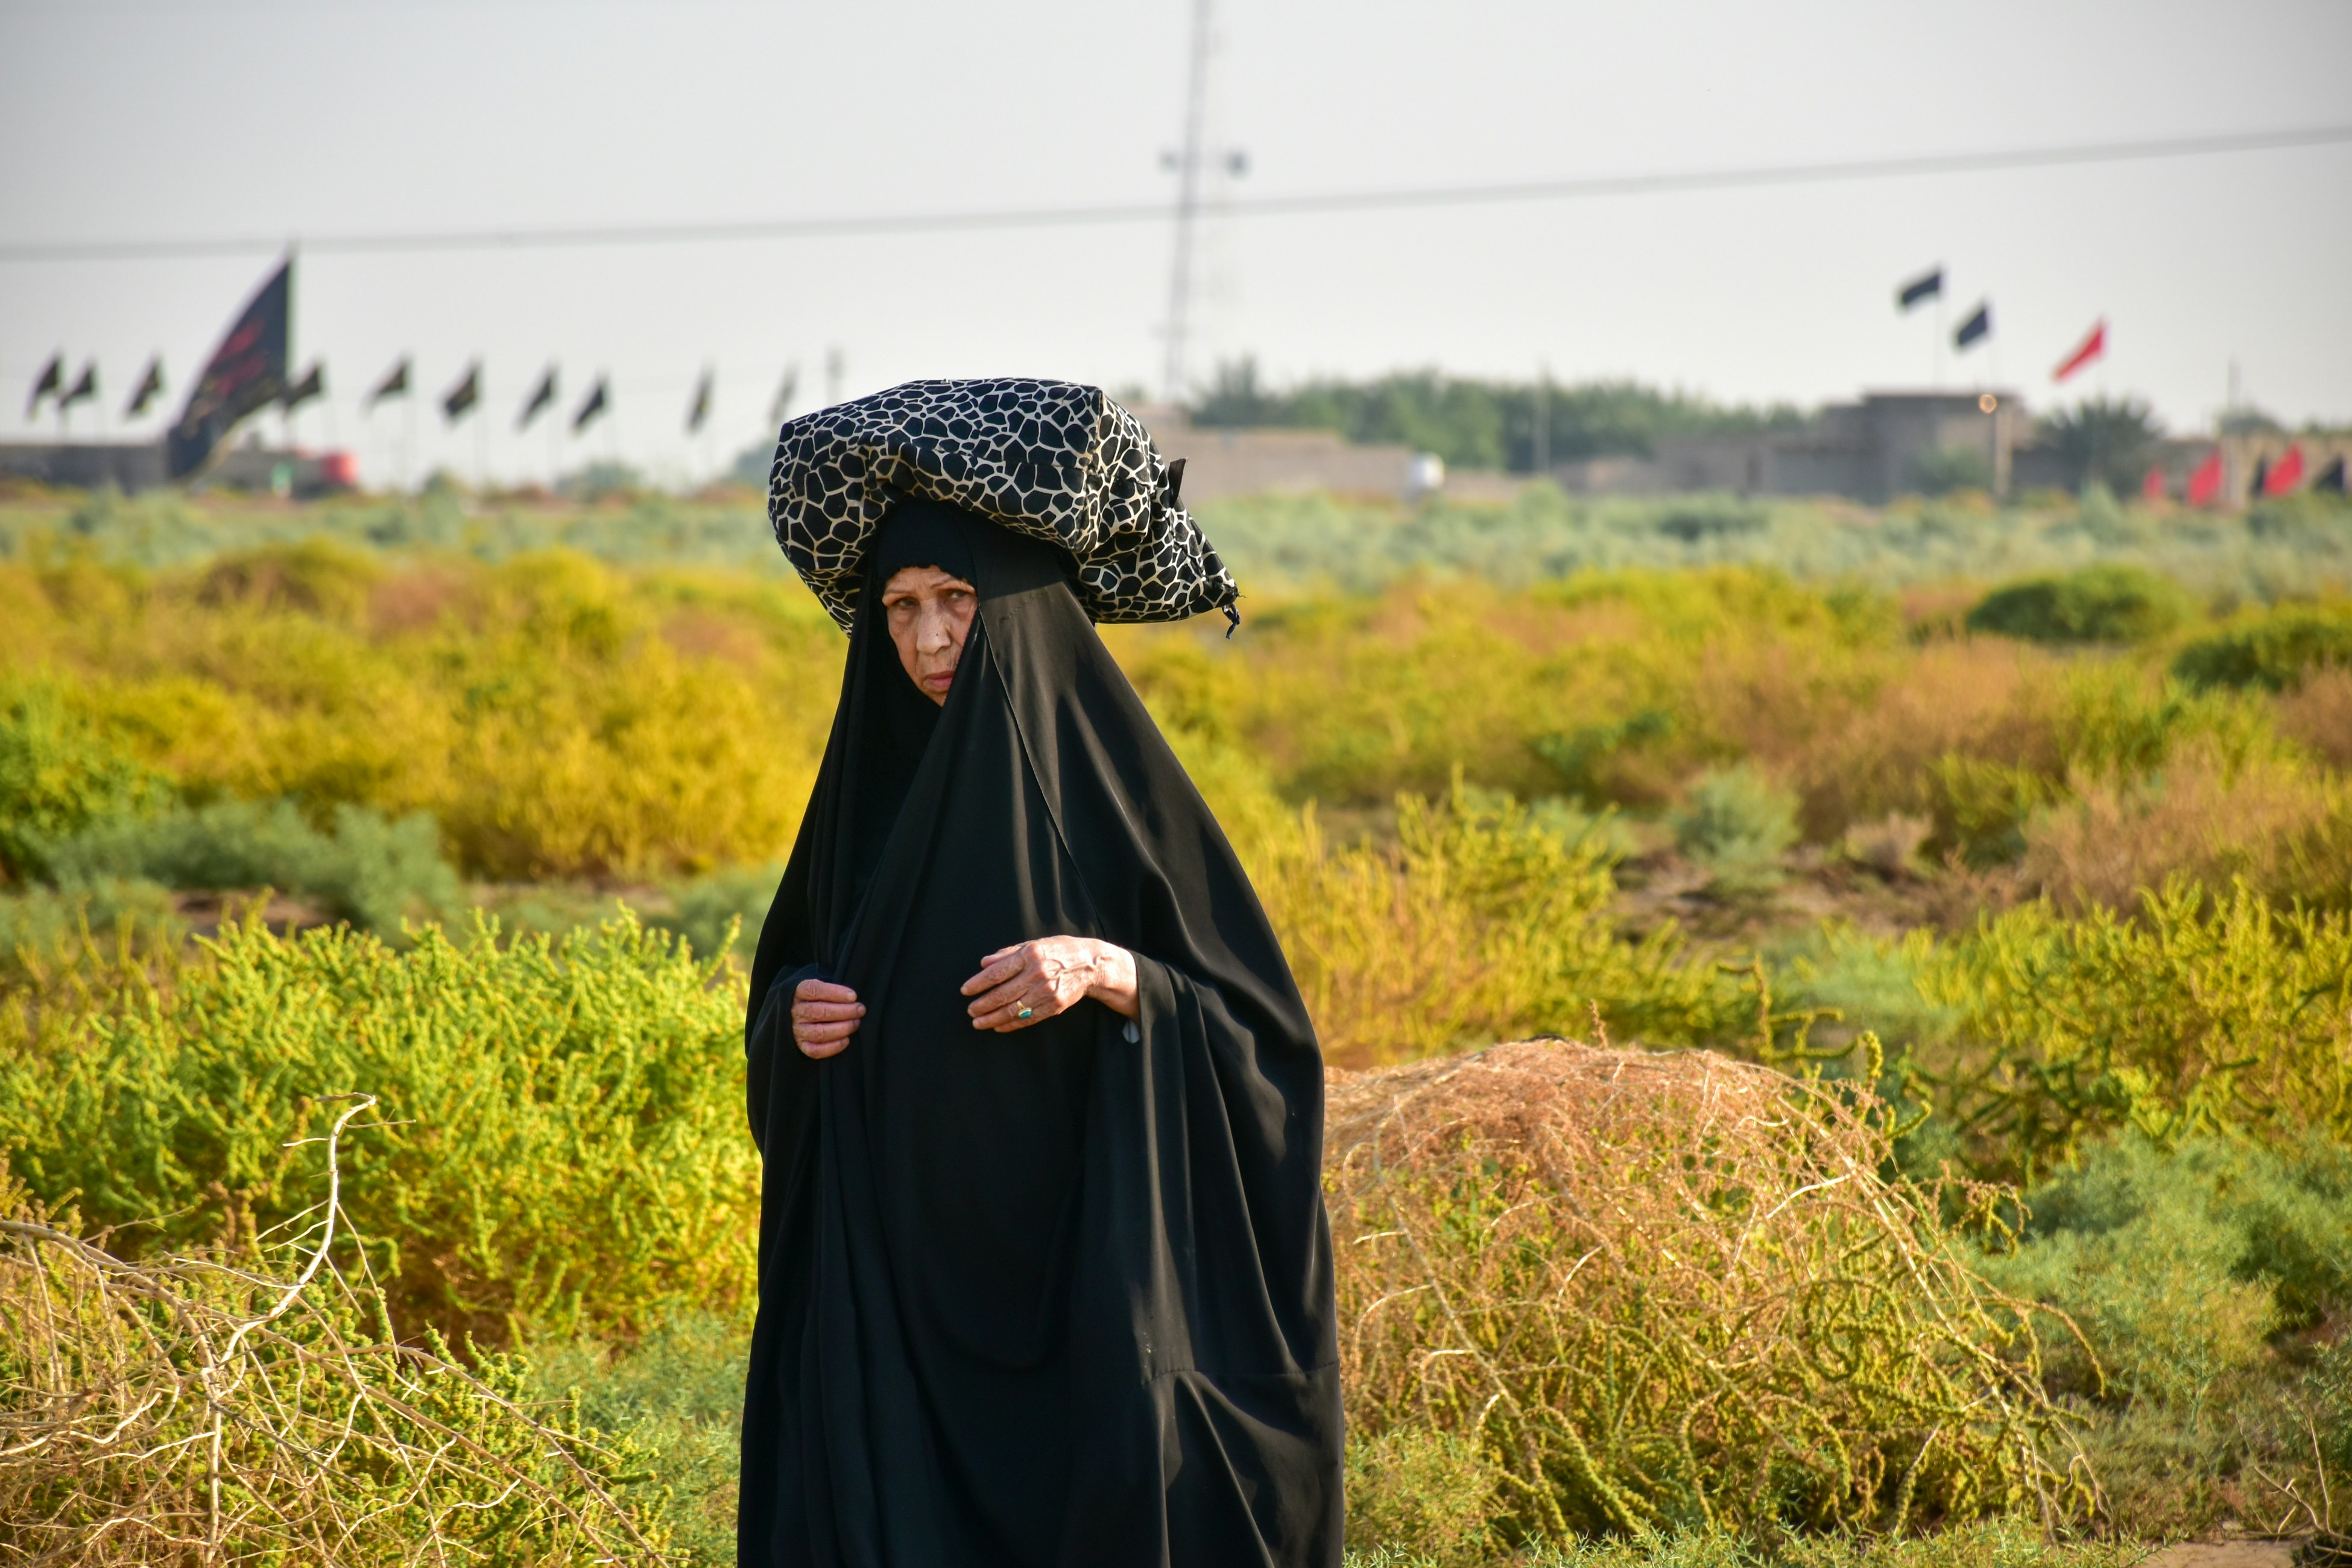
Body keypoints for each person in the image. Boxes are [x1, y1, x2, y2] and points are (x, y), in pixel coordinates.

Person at [740, 495, 1342, 1567]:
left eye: (958, 599)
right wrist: (792, 1015)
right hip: (897, 1303)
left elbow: (1267, 1048)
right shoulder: (863, 797)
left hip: (1089, 1297)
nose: (928, 638)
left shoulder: (1111, 791)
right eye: (900, 607)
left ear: (1017, 609)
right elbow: (789, 978)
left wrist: (1113, 974)